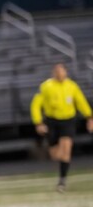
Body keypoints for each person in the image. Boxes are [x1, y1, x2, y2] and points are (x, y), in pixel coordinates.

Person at [30, 63, 93, 192]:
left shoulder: (72, 86)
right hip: (52, 121)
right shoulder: (46, 86)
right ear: (53, 73)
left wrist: (89, 117)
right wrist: (38, 122)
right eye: (57, 71)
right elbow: (36, 105)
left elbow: (81, 102)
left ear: (66, 72)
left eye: (62, 71)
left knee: (66, 148)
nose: (59, 73)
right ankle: (61, 171)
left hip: (68, 120)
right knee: (55, 155)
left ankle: (62, 181)